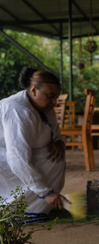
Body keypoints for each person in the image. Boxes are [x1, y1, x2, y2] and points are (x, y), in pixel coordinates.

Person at [0, 66, 69, 223]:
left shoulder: (45, 107)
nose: (55, 102)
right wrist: (45, 192)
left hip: (14, 156)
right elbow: (16, 157)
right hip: (5, 159)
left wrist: (59, 143)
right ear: (33, 90)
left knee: (53, 155)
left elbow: (57, 136)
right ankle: (15, 211)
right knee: (44, 158)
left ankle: (32, 209)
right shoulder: (17, 110)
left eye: (56, 97)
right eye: (50, 96)